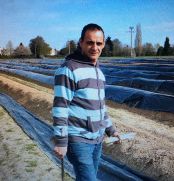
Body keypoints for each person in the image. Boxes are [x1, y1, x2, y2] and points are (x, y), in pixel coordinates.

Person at [52, 23, 122, 181]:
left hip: (97, 139)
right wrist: (61, 141)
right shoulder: (69, 69)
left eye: (99, 43)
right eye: (90, 42)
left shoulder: (98, 72)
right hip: (78, 139)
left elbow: (100, 106)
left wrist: (110, 129)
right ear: (81, 42)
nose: (95, 47)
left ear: (103, 44)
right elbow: (60, 108)